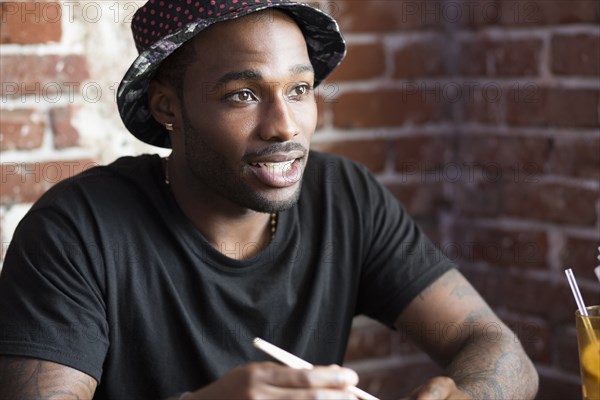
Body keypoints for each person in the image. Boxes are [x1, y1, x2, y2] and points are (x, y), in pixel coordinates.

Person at [0, 0, 538, 399]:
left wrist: (470, 395)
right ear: (168, 107)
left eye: (300, 90)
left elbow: (495, 346)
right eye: (243, 95)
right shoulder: (77, 230)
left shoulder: (345, 196)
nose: (285, 127)